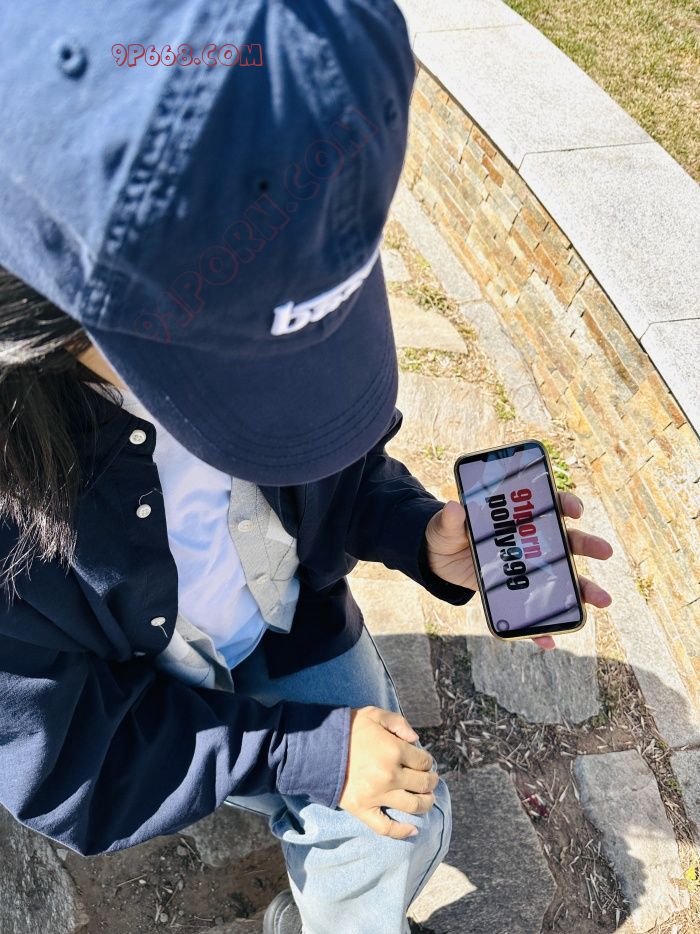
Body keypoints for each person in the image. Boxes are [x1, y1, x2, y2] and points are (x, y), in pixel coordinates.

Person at [0, 3, 614, 931]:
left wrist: (414, 530)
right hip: (124, 691)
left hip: (287, 625)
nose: (280, 378)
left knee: (400, 824)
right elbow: (67, 767)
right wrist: (303, 754)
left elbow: (323, 458)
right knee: (385, 804)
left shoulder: (282, 213)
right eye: (239, 357)